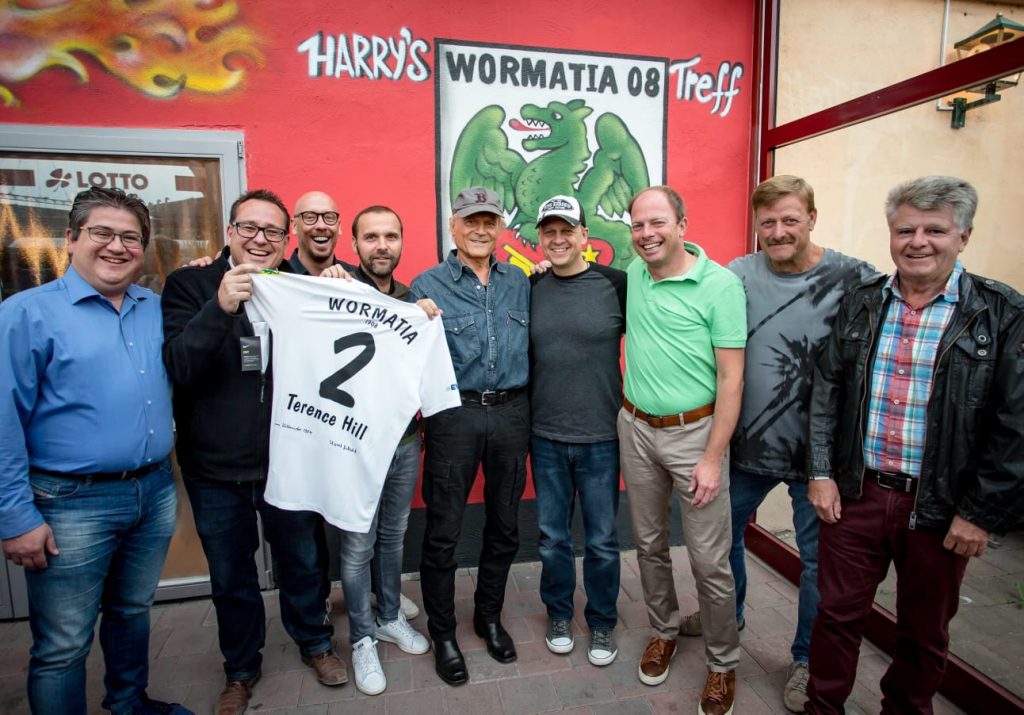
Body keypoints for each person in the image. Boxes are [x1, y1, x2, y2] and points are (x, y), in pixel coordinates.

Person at [806, 176, 1024, 714]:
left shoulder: (1001, 313)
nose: (918, 242)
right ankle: (822, 707)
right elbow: (827, 391)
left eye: (935, 230)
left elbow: (1015, 426)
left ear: (963, 236)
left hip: (941, 508)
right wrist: (820, 472)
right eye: (906, 230)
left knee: (924, 633)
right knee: (835, 616)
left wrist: (979, 514)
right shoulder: (862, 302)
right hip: (856, 496)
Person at [678, 175, 877, 712]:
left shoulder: (855, 278)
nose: (779, 231)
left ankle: (807, 657)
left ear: (812, 217)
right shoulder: (739, 274)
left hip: (821, 458)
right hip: (748, 446)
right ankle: (729, 615)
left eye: (790, 219)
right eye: (768, 222)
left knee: (818, 563)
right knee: (720, 541)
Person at [0, 187, 187, 714]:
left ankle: (128, 704)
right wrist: (15, 517)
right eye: (101, 233)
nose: (116, 246)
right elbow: (3, 422)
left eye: (130, 237)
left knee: (132, 611)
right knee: (62, 644)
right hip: (69, 503)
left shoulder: (155, 308)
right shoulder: (26, 315)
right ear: (70, 238)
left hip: (152, 491)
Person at [161, 189, 347, 715]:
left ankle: (315, 643)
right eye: (249, 227)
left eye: (272, 231)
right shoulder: (190, 284)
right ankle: (241, 670)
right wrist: (219, 307)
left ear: (287, 239)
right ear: (229, 232)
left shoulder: (298, 285)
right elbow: (180, 364)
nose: (260, 239)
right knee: (231, 576)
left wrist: (342, 287)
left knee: (302, 562)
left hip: (287, 461)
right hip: (214, 467)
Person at [619, 186, 746, 715]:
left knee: (709, 560)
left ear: (682, 226)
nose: (646, 234)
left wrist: (713, 457)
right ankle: (663, 631)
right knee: (648, 545)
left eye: (657, 223)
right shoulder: (634, 273)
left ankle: (722, 664)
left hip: (696, 435)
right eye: (638, 225)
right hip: (636, 427)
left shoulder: (719, 285)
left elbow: (732, 379)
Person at [410, 186, 531, 686]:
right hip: (454, 416)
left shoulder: (520, 281)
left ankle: (488, 616)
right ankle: (443, 633)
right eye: (470, 221)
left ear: (499, 227)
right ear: (453, 226)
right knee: (443, 530)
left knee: (505, 524)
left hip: (511, 414)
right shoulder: (426, 285)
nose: (480, 230)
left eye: (489, 221)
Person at [330, 205, 432, 695]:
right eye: (371, 237)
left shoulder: (411, 299)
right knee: (357, 545)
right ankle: (362, 639)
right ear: (354, 244)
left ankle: (390, 615)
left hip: (405, 442)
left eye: (391, 236)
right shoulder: (337, 290)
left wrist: (426, 317)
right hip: (353, 446)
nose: (382, 246)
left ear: (401, 242)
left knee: (393, 535)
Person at [528, 195, 626, 667]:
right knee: (552, 538)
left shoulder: (617, 285)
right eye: (549, 231)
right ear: (539, 238)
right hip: (545, 435)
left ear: (585, 235)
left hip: (602, 437)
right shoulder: (531, 286)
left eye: (567, 230)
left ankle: (602, 620)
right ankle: (560, 614)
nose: (558, 239)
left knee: (603, 540)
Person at [287, 190, 356, 276]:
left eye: (329, 217)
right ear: (294, 226)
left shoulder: (356, 278)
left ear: (339, 227)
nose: (321, 226)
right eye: (310, 217)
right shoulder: (275, 275)